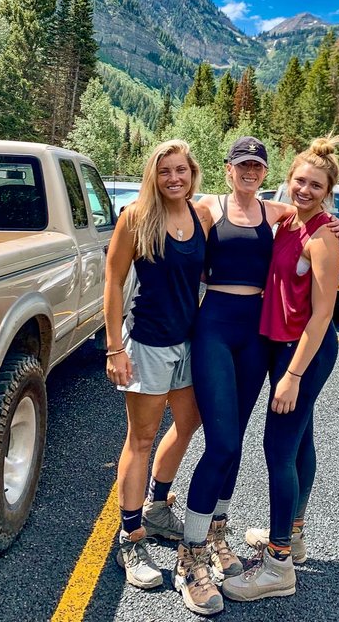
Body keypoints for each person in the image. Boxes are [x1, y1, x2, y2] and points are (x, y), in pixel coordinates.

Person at [174, 136, 339, 616]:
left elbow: (321, 273)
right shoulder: (215, 209)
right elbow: (166, 222)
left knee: (273, 445)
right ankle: (194, 553)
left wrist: (331, 224)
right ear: (227, 169)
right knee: (228, 443)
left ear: (267, 173)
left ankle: (245, 542)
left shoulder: (287, 219)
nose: (250, 171)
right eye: (242, 164)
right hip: (221, 332)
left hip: (268, 342)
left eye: (257, 165)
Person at [222, 136, 339, 602]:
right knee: (299, 441)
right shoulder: (288, 220)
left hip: (304, 353)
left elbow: (321, 315)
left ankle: (277, 565)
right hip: (279, 346)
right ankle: (292, 536)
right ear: (287, 181)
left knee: (278, 449)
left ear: (328, 189)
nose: (306, 189)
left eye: (316, 185)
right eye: (299, 181)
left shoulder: (323, 239)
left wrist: (293, 375)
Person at [103, 139, 218, 604]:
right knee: (142, 438)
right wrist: (115, 348)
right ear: (154, 175)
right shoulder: (135, 217)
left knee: (189, 424)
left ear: (193, 173)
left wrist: (318, 218)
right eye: (165, 171)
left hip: (189, 342)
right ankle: (130, 539)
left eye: (181, 170)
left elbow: (263, 212)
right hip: (147, 342)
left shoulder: (202, 216)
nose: (174, 178)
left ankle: (156, 506)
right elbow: (112, 279)